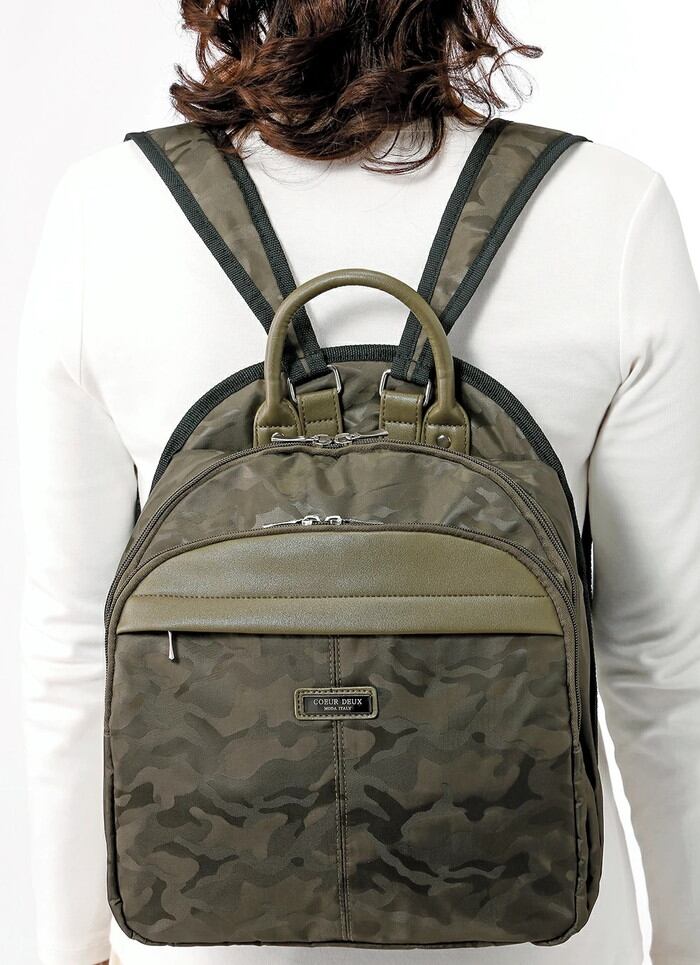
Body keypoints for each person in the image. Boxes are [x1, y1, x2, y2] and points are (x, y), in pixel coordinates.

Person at [18, 2, 700, 964]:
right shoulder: (610, 207)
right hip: (549, 931)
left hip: (202, 931)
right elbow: (665, 663)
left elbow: (67, 648)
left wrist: (69, 947)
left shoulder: (107, 210)